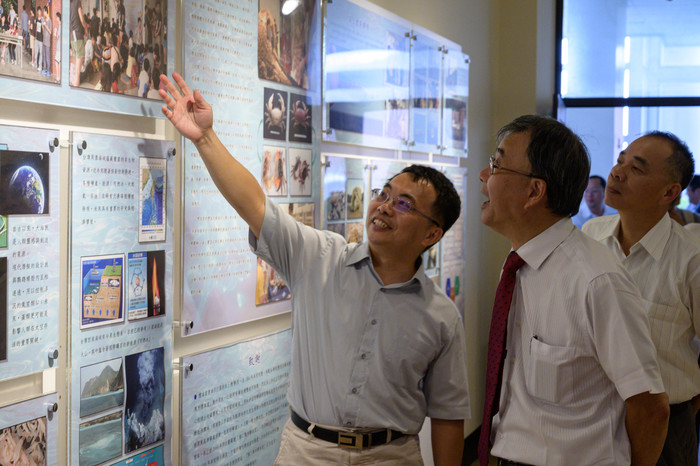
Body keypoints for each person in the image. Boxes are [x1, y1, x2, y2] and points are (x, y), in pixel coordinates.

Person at [158, 72, 470, 465]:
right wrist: (205, 138)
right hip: (307, 452)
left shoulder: (441, 316)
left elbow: (446, 416)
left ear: (431, 234)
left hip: (391, 455)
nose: (385, 206)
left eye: (404, 204)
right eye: (384, 194)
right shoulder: (319, 257)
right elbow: (255, 206)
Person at [478, 115, 668, 465]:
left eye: (497, 164)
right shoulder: (518, 261)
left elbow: (651, 408)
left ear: (534, 191)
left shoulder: (597, 280)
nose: (483, 176)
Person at [583, 131, 700, 465]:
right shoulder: (589, 237)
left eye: (637, 168)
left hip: (666, 427)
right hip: (593, 419)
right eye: (620, 161)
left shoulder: (691, 258)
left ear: (670, 192)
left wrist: (685, 405)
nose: (618, 173)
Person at [69, 0, 88, 86]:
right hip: (78, 36)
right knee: (77, 74)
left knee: (79, 59)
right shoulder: (77, 2)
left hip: (73, 37)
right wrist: (86, 30)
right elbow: (82, 19)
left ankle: (69, 59)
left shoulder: (69, 4)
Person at [41, 6, 50, 76]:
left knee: (47, 57)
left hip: (47, 42)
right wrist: (42, 25)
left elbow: (50, 32)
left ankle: (48, 70)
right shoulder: (45, 20)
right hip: (44, 40)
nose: (43, 13)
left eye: (44, 11)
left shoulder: (49, 21)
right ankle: (44, 69)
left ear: (46, 12)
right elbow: (43, 32)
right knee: (43, 55)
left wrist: (46, 26)